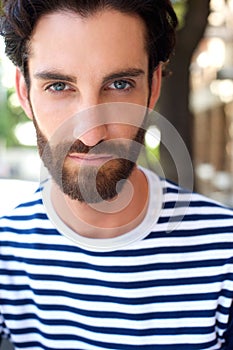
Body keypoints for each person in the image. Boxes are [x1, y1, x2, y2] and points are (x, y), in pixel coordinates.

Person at [0, 0, 233, 349]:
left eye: (120, 84)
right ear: (25, 92)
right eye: (59, 86)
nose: (91, 134)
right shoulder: (6, 254)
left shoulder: (226, 252)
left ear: (153, 88)